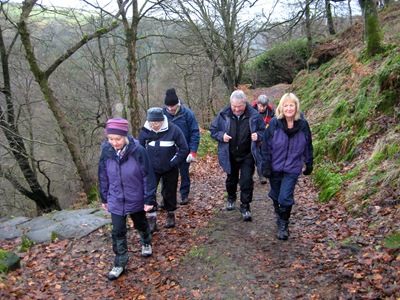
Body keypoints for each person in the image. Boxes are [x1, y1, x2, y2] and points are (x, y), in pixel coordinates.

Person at [98, 118, 157, 280]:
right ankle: (120, 262)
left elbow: (148, 176)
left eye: (117, 139)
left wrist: (148, 199)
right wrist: (104, 197)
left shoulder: (138, 151)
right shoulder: (106, 151)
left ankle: (146, 242)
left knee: (140, 223)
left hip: (135, 197)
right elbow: (103, 175)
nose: (114, 142)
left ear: (125, 136)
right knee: (117, 231)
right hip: (115, 198)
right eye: (111, 139)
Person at [261, 93, 314, 240]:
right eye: (286, 105)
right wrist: (265, 165)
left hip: (292, 167)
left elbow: (308, 145)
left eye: (291, 105)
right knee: (276, 195)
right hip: (275, 167)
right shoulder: (274, 124)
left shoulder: (303, 125)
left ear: (296, 107)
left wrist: (309, 163)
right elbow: (265, 146)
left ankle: (284, 224)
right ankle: (278, 214)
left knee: (285, 196)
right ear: (281, 108)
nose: (289, 108)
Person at [209, 90, 266, 221]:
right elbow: (213, 130)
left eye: (239, 106)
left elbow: (264, 131)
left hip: (247, 154)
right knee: (231, 180)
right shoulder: (224, 114)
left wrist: (258, 136)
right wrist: (221, 136)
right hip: (230, 154)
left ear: (245, 104)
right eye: (233, 106)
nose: (236, 109)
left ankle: (245, 206)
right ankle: (231, 197)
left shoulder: (254, 115)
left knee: (246, 181)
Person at [139, 107, 188, 231]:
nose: (154, 126)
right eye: (151, 123)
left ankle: (170, 213)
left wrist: (173, 162)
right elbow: (139, 150)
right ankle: (151, 218)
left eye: (156, 123)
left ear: (162, 121)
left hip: (170, 167)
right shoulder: (145, 131)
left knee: (169, 192)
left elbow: (183, 148)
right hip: (151, 169)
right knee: (149, 192)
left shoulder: (173, 130)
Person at [163, 88, 200, 205]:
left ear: (177, 103)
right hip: (167, 151)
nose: (170, 109)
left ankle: (184, 195)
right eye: (168, 106)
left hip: (184, 149)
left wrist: (193, 151)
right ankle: (166, 198)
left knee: (184, 173)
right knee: (166, 175)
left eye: (172, 106)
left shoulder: (187, 114)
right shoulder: (162, 114)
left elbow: (195, 132)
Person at [253, 94, 275, 184]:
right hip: (255, 138)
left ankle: (267, 172)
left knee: (267, 156)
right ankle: (261, 174)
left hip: (267, 137)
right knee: (257, 157)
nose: (262, 108)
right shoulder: (252, 111)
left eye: (264, 106)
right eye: (260, 106)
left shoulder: (271, 112)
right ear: (257, 104)